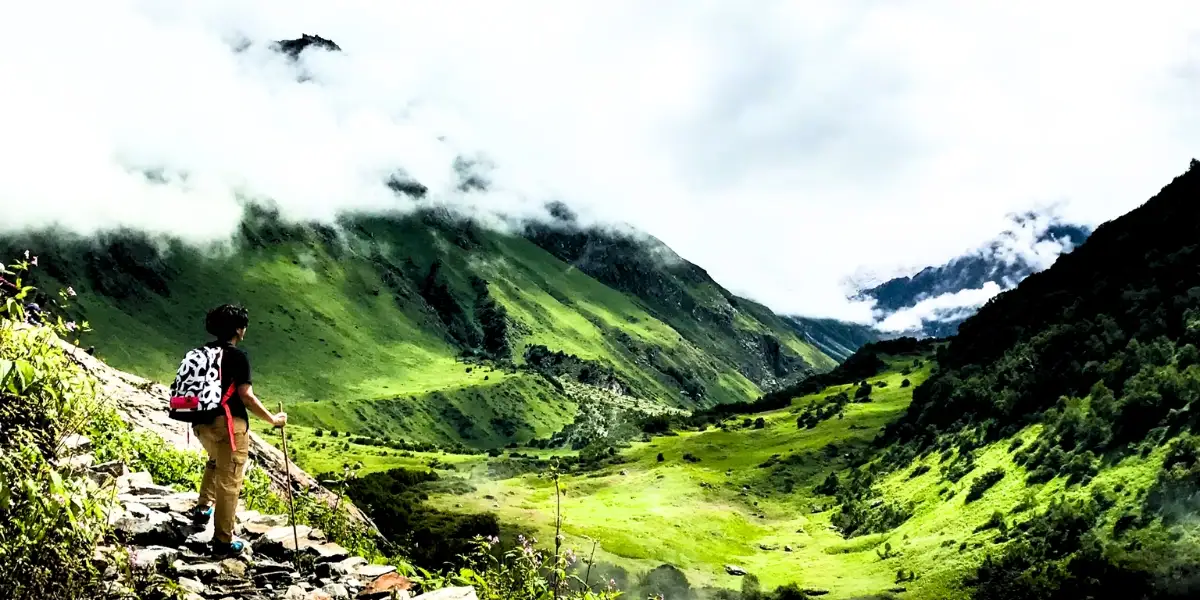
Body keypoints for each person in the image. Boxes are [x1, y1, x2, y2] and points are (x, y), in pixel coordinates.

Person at [188, 304, 287, 556]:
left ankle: (202, 509)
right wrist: (272, 420)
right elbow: (246, 396)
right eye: (244, 325)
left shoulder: (200, 353)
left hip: (200, 424)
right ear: (238, 329)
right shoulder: (237, 356)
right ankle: (223, 541)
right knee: (230, 481)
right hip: (229, 425)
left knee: (214, 459)